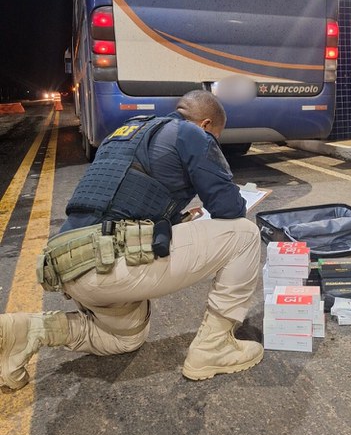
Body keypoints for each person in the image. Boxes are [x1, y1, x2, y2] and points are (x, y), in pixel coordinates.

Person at [0, 90, 263, 391]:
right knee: (244, 234)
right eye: (215, 137)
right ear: (205, 124)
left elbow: (119, 203)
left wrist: (177, 219)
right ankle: (214, 348)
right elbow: (229, 209)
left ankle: (26, 330)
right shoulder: (192, 134)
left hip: (69, 264)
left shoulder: (125, 132)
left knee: (122, 338)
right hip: (109, 265)